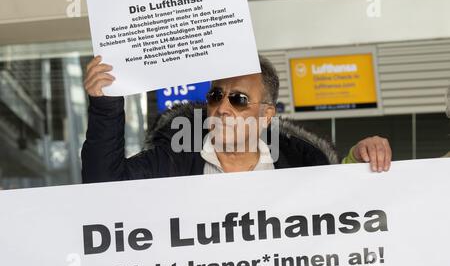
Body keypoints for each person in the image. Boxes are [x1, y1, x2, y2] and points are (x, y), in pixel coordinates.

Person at [81, 55, 392, 183]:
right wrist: (105, 106)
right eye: (216, 96)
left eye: (239, 99)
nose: (223, 109)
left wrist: (361, 157)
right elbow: (103, 184)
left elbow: (344, 211)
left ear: (266, 115)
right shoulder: (171, 161)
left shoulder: (305, 165)